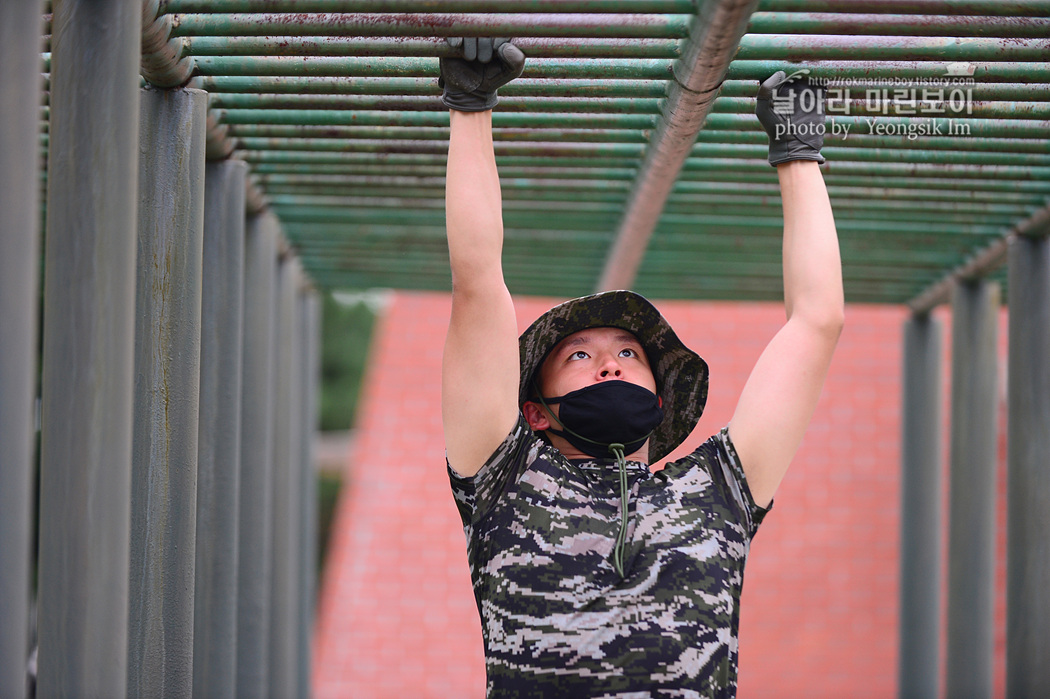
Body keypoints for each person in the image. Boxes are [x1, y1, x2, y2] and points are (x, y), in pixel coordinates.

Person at [440, 37, 843, 697]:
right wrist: (470, 106)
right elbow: (479, 283)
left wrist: (798, 150)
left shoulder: (715, 492)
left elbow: (817, 322)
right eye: (580, 354)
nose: (610, 362)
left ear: (661, 394)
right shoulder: (503, 479)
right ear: (534, 410)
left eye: (630, 353)